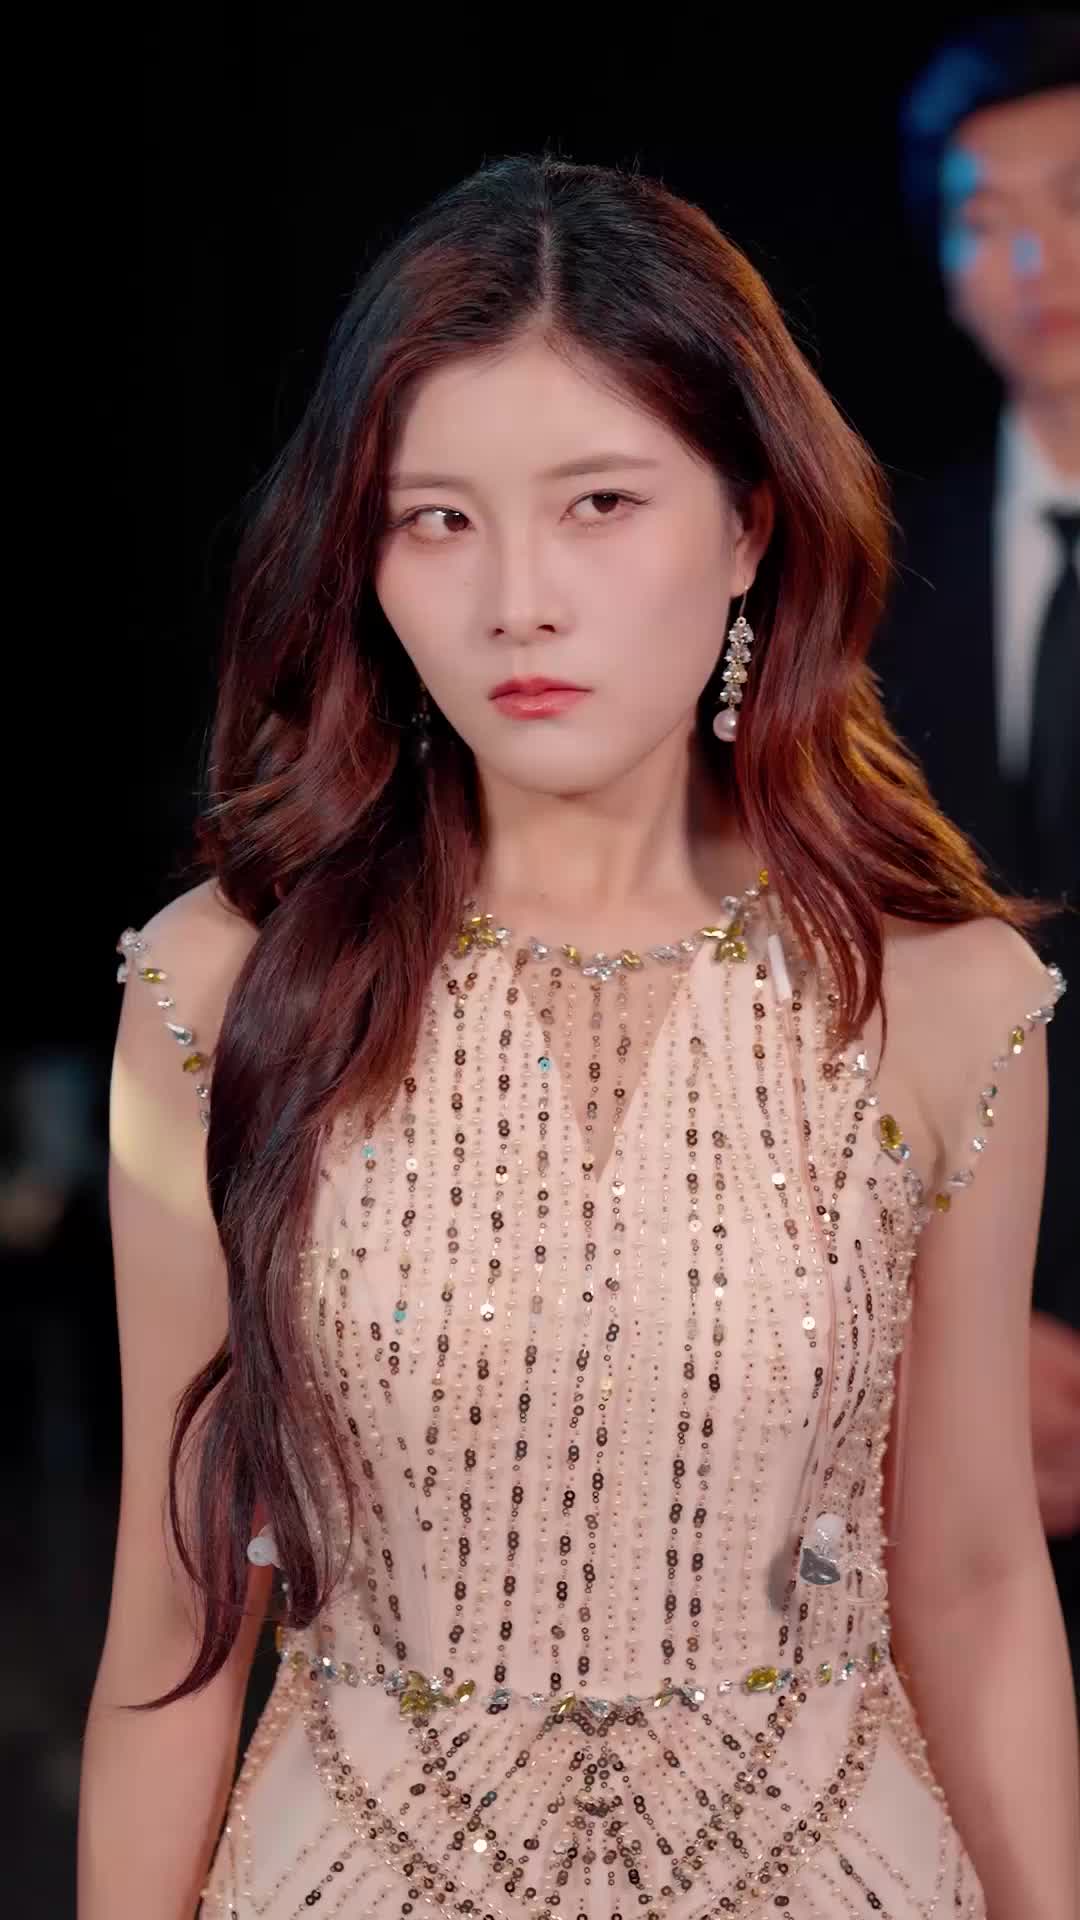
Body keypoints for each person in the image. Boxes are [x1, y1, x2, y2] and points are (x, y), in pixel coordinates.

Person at [79, 156, 1080, 1920]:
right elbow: (173, 1621)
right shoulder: (218, 987)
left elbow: (979, 1584)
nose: (516, 600)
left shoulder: (946, 997)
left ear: (751, 525)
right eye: (434, 520)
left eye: (600, 503)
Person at [876, 16, 1080, 1694]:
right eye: (982, 216)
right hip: (954, 1382)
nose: (1031, 260)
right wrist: (966, 1324)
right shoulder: (875, 586)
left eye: (1074, 201)